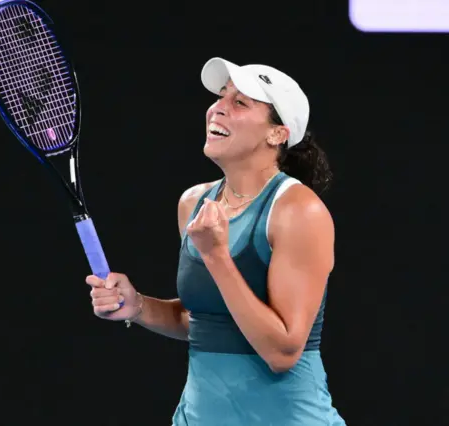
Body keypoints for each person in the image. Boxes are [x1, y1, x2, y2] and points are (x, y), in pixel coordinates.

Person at [85, 57, 346, 425]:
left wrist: (218, 257)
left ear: (277, 133)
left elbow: (283, 351)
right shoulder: (194, 203)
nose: (218, 108)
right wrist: (139, 306)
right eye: (222, 96)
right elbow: (205, 321)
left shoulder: (299, 210)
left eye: (240, 103)